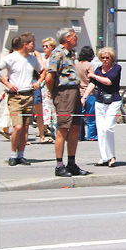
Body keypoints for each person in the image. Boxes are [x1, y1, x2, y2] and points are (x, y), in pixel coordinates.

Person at [45, 27, 90, 177]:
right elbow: (49, 78)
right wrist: (53, 94)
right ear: (67, 38)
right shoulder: (57, 53)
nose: (77, 38)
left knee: (76, 127)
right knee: (63, 128)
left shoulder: (70, 54)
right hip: (64, 92)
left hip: (74, 91)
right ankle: (59, 164)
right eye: (74, 36)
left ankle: (71, 163)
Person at [0, 33, 44, 166]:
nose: (34, 46)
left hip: (28, 94)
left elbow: (43, 71)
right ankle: (13, 154)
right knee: (17, 127)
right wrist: (7, 84)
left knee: (25, 127)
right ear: (25, 44)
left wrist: (39, 82)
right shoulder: (11, 58)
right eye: (32, 44)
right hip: (15, 96)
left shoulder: (32, 59)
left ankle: (21, 155)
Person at [82, 47, 122, 167]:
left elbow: (108, 81)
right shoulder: (98, 70)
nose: (105, 60)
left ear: (112, 58)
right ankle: (104, 157)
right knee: (100, 130)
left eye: (107, 58)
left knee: (108, 127)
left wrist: (93, 76)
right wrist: (84, 97)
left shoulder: (116, 68)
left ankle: (111, 156)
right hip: (100, 101)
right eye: (103, 58)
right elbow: (92, 84)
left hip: (113, 100)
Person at [33, 37, 57, 143]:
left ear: (52, 47)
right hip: (44, 86)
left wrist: (38, 57)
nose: (45, 48)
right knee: (45, 107)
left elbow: (45, 69)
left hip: (50, 86)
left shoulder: (53, 57)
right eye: (43, 46)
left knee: (50, 107)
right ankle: (45, 129)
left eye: (47, 46)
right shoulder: (47, 57)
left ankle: (48, 128)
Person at [76, 45, 98, 142]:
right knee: (91, 116)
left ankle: (79, 135)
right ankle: (92, 135)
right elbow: (92, 80)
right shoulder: (89, 66)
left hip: (79, 92)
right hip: (89, 93)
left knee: (79, 116)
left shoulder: (76, 65)